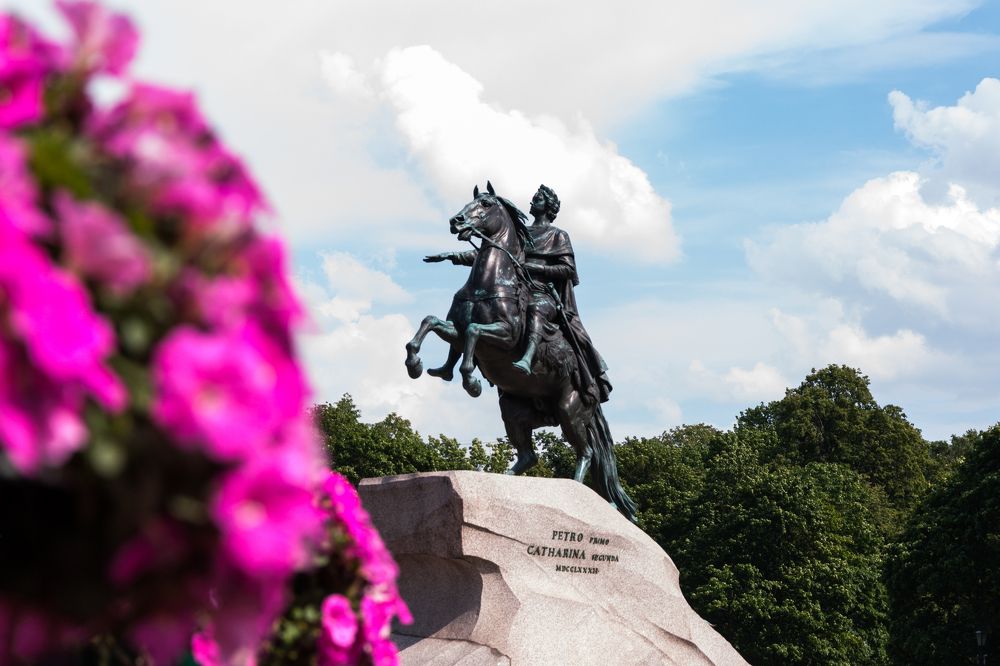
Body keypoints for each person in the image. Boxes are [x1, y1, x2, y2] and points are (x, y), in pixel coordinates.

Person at [425, 184, 611, 404]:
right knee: (469, 308)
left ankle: (527, 357)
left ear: (549, 207)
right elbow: (491, 254)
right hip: (515, 288)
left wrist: (535, 268)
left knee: (535, 309)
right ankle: (452, 364)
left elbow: (568, 270)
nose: (533, 202)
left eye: (538, 199)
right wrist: (453, 256)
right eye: (533, 198)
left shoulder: (558, 235)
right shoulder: (520, 232)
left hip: (542, 293)